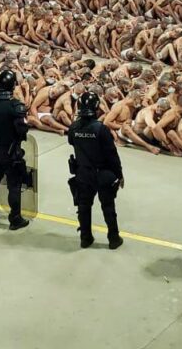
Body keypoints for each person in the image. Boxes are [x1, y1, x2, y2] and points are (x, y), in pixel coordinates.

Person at [67, 91, 124, 249]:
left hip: (83, 173)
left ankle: (85, 238)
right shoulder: (101, 129)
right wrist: (119, 175)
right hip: (103, 173)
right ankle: (113, 238)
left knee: (84, 206)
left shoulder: (74, 128)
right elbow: (112, 155)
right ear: (97, 107)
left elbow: (72, 142)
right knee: (108, 206)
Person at [0, 69, 31, 230]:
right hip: (11, 152)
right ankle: (15, 218)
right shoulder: (15, 107)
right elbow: (22, 130)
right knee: (14, 186)